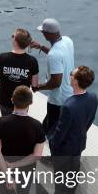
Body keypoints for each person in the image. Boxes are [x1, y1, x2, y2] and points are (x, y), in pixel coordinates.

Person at [48, 66, 98, 194]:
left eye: (71, 74)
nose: (69, 76)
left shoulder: (69, 105)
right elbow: (89, 121)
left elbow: (60, 132)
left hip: (64, 148)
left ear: (75, 81)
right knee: (74, 169)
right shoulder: (93, 97)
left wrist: (52, 143)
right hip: (79, 142)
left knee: (60, 176)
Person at [31, 18, 74, 153]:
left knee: (53, 130)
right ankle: (39, 140)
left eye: (43, 32)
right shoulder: (67, 41)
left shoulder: (54, 54)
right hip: (70, 94)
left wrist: (38, 87)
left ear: (47, 34)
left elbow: (56, 82)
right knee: (49, 123)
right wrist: (41, 47)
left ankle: (54, 156)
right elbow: (59, 56)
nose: (42, 34)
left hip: (57, 100)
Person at [0, 28, 39, 116]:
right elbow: (34, 84)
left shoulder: (2, 57)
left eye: (13, 36)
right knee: (20, 123)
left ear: (15, 41)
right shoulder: (32, 61)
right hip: (23, 101)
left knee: (6, 121)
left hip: (4, 99)